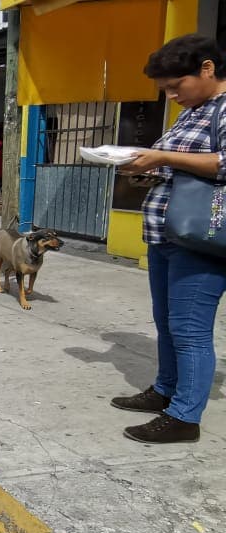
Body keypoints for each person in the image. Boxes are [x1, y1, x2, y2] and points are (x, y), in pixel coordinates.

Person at [112, 34, 226, 444]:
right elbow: (183, 167)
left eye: (177, 86)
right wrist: (144, 168)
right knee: (167, 322)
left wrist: (162, 157)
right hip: (166, 234)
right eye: (166, 90)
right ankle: (165, 389)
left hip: (201, 239)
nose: (172, 95)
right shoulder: (192, 112)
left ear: (207, 69)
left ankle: (184, 416)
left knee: (190, 328)